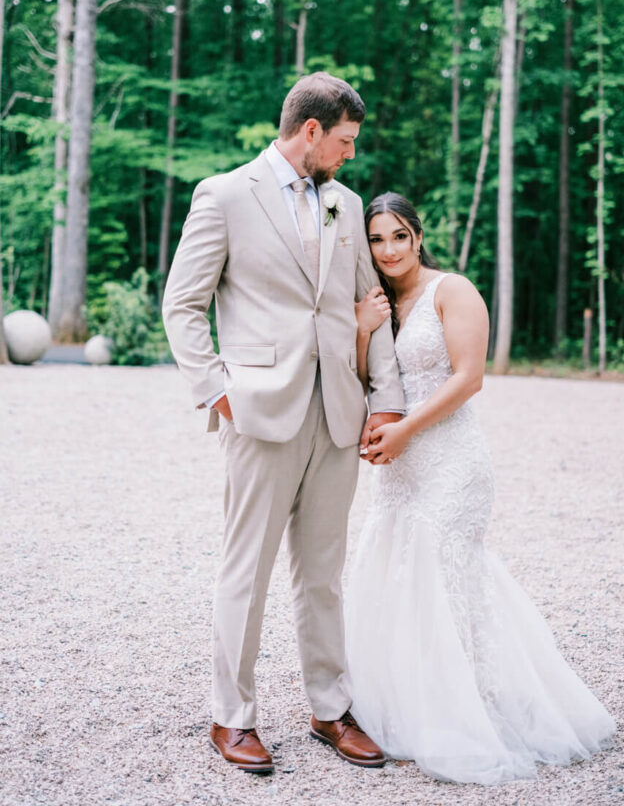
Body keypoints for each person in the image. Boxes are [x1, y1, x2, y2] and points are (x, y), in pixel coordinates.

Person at [162, 74, 405, 774]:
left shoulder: (347, 203)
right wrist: (217, 393)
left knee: (323, 574)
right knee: (247, 570)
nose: (350, 155)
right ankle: (231, 719)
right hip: (259, 414)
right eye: (345, 141)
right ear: (310, 131)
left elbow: (370, 301)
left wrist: (383, 395)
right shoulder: (226, 196)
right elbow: (183, 304)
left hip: (338, 414)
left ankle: (329, 708)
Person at [346, 192, 616, 784]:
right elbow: (368, 380)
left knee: (445, 573)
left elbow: (470, 379)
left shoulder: (452, 290)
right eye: (376, 239)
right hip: (400, 466)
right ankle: (407, 701)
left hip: (450, 460)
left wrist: (406, 430)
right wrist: (365, 333)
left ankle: (470, 707)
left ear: (418, 236)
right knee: (397, 572)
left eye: (398, 235)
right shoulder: (378, 301)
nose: (388, 250)